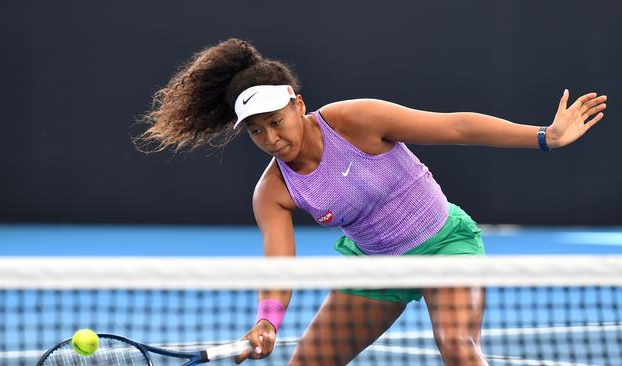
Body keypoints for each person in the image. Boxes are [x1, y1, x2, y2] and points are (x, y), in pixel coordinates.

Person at [139, 38, 607, 365]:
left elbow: (457, 127)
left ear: (298, 105)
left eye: (276, 121)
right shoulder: (274, 192)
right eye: (256, 131)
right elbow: (278, 269)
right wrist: (267, 324)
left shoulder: (356, 120)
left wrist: (545, 137)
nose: (270, 138)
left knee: (458, 348)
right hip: (374, 267)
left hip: (445, 247)